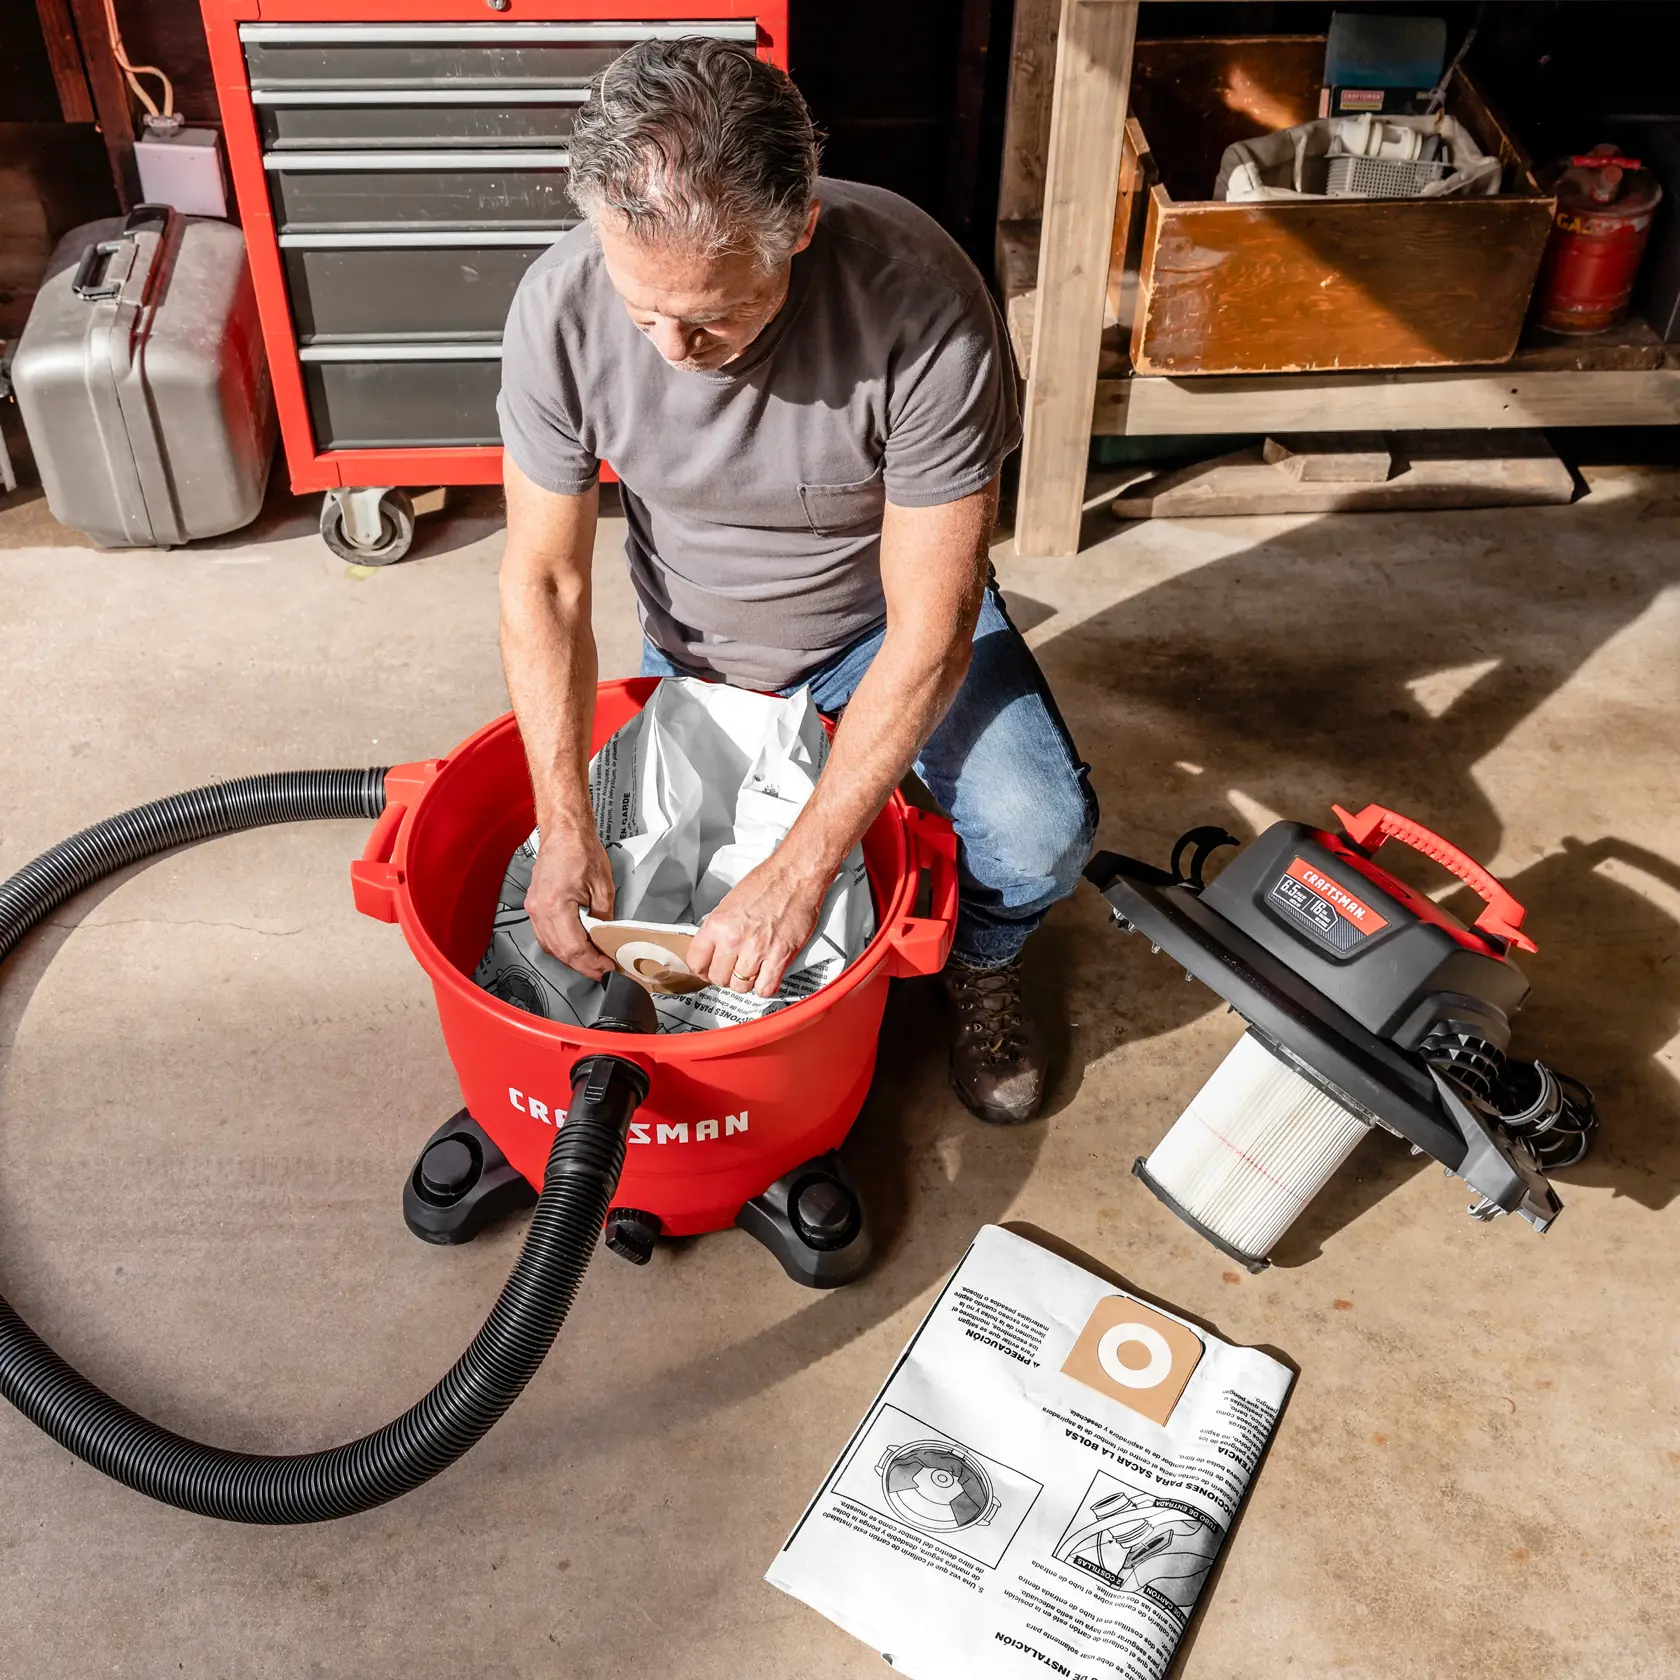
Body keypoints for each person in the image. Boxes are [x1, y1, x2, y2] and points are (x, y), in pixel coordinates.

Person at [497, 37, 1096, 1125]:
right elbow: (546, 582)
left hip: (882, 628)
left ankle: (984, 959)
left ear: (800, 231)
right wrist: (562, 817)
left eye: (714, 315)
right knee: (651, 900)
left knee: (1037, 835)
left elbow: (933, 621)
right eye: (645, 312)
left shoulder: (922, 303)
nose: (673, 349)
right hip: (697, 644)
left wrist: (806, 861)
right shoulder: (561, 306)